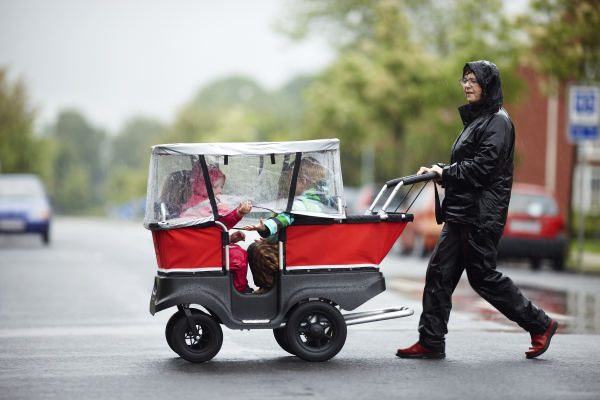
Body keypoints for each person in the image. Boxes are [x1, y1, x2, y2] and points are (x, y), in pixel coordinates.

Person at [396, 61, 558, 360]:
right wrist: (440, 170)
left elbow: (483, 168)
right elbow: (471, 163)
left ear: (488, 85)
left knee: (482, 277)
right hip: (462, 213)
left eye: (473, 80)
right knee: (439, 274)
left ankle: (541, 324)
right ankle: (431, 341)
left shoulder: (497, 121)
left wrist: (446, 173)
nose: (467, 85)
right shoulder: (479, 120)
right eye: (464, 80)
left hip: (481, 215)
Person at [244, 157, 328, 293]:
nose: (288, 184)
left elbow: (284, 219)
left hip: (299, 253)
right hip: (305, 248)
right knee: (256, 247)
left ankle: (271, 289)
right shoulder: (320, 202)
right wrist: (271, 239)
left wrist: (265, 228)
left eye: (290, 180)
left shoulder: (299, 205)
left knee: (259, 251)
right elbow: (293, 230)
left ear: (302, 182)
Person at [181, 163, 254, 293]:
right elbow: (223, 220)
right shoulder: (202, 205)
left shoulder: (196, 202)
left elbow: (211, 232)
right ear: (203, 186)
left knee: (235, 249)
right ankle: (239, 291)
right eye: (216, 186)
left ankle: (239, 286)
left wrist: (229, 239)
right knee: (239, 256)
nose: (221, 191)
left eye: (222, 186)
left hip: (204, 249)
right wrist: (238, 213)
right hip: (204, 254)